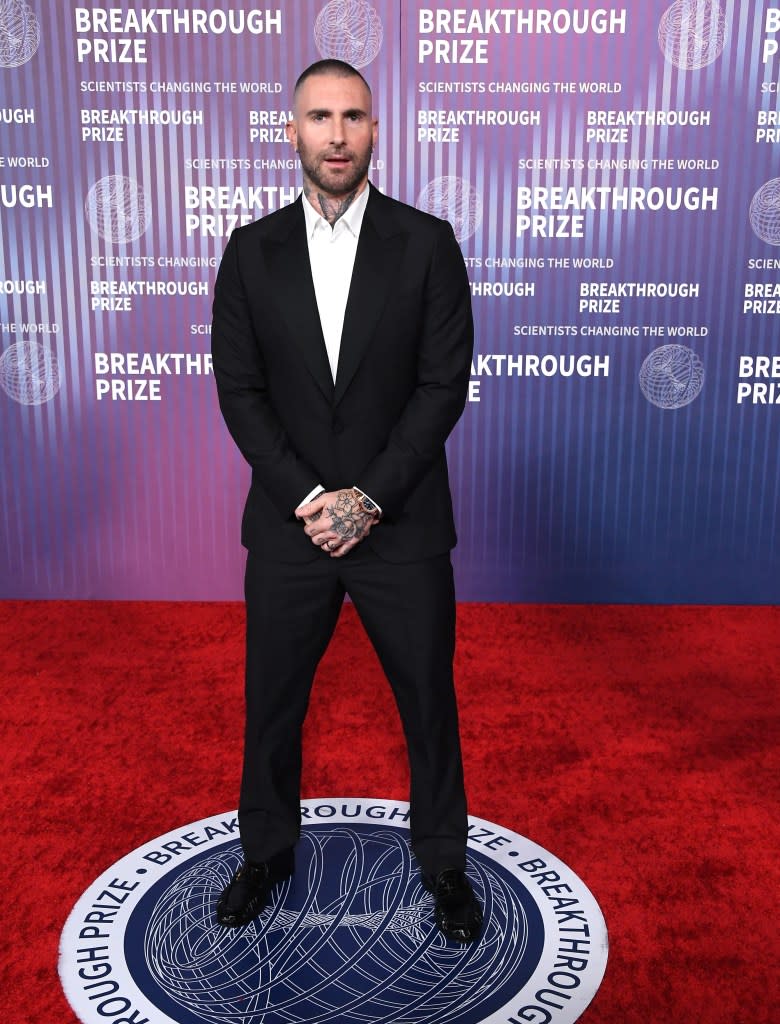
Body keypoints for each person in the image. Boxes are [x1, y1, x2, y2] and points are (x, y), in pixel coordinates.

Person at [210, 59, 481, 943]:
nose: (336, 133)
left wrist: (365, 498)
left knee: (428, 705)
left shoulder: (428, 242)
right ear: (291, 131)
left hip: (399, 524)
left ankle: (443, 862)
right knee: (271, 702)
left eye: (353, 116)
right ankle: (266, 851)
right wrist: (310, 498)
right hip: (292, 528)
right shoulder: (250, 252)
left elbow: (442, 388)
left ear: (376, 130)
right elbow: (240, 392)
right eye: (319, 117)